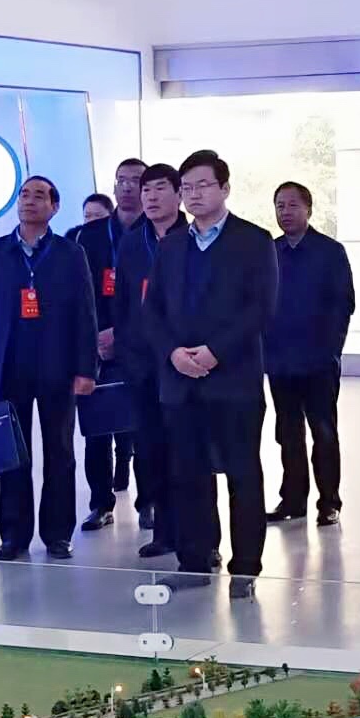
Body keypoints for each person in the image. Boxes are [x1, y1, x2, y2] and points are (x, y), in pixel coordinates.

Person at [145, 150, 278, 598]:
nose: (194, 194)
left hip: (233, 380)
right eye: (187, 187)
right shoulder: (171, 246)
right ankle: (194, 561)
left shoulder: (254, 240)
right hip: (180, 381)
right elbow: (153, 310)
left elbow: (261, 308)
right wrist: (173, 353)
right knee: (188, 475)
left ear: (224, 188)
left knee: (242, 474)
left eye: (203, 185)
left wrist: (216, 352)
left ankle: (245, 569)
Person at [0, 176, 99, 561]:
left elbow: (85, 313)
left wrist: (86, 369)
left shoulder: (70, 253)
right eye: (24, 195)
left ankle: (58, 534)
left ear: (54, 207)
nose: (29, 201)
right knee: (12, 454)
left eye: (39, 196)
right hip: (9, 367)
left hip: (58, 368)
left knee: (60, 452)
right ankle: (14, 535)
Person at [114, 163, 219, 560]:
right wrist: (125, 351)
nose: (151, 197)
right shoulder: (131, 243)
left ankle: (205, 540)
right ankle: (164, 532)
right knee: (152, 450)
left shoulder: (195, 239)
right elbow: (123, 302)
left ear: (179, 195)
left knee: (193, 454)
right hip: (143, 364)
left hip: (185, 361)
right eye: (146, 190)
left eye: (160, 188)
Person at [264, 181, 355, 526]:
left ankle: (329, 502)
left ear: (309, 209)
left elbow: (343, 304)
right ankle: (292, 500)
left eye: (292, 205)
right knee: (287, 433)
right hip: (280, 360)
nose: (285, 212)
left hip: (319, 360)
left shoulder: (330, 251)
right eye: (280, 206)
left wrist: (330, 349)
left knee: (323, 432)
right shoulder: (270, 251)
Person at [67, 158, 147, 530]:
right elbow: (74, 295)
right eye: (121, 180)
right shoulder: (87, 236)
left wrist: (123, 334)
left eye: (136, 180)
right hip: (93, 344)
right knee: (96, 430)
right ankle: (101, 503)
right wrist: (95, 336)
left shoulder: (157, 232)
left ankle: (149, 502)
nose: (128, 187)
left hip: (141, 344)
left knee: (144, 428)